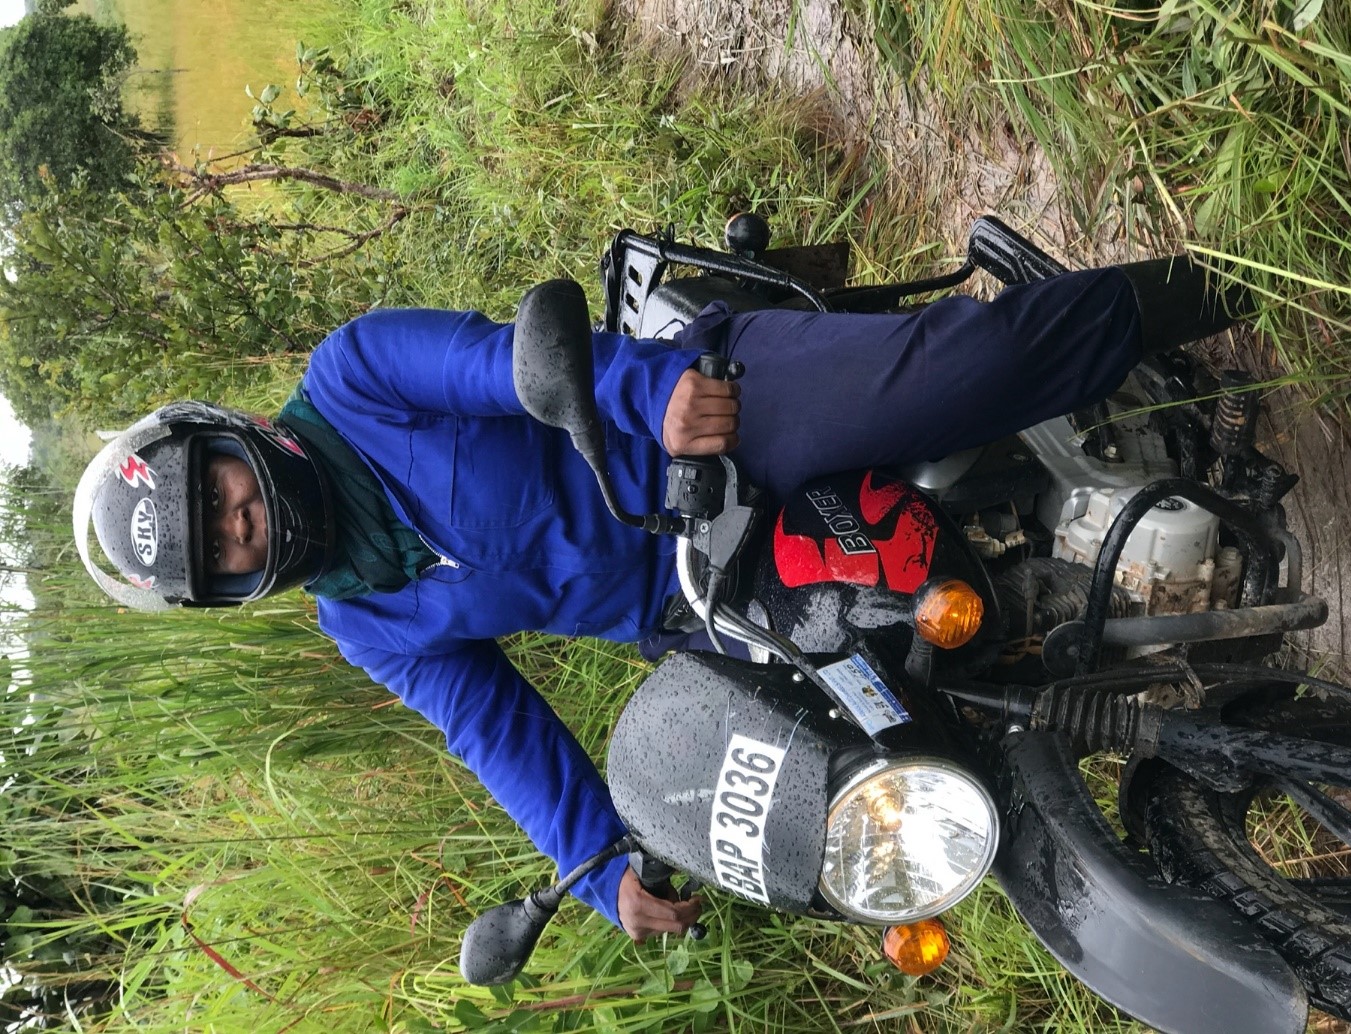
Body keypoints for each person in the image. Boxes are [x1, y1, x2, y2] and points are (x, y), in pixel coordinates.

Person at [73, 253, 1247, 942]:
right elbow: (494, 724)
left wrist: (660, 391)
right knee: (913, 763)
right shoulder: (361, 616)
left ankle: (1198, 288)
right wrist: (596, 866)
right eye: (220, 550)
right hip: (699, 598)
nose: (240, 525)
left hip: (703, 441)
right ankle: (1202, 717)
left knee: (954, 373)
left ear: (231, 443)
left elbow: (507, 367)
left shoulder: (357, 377)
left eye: (219, 496)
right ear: (232, 587)